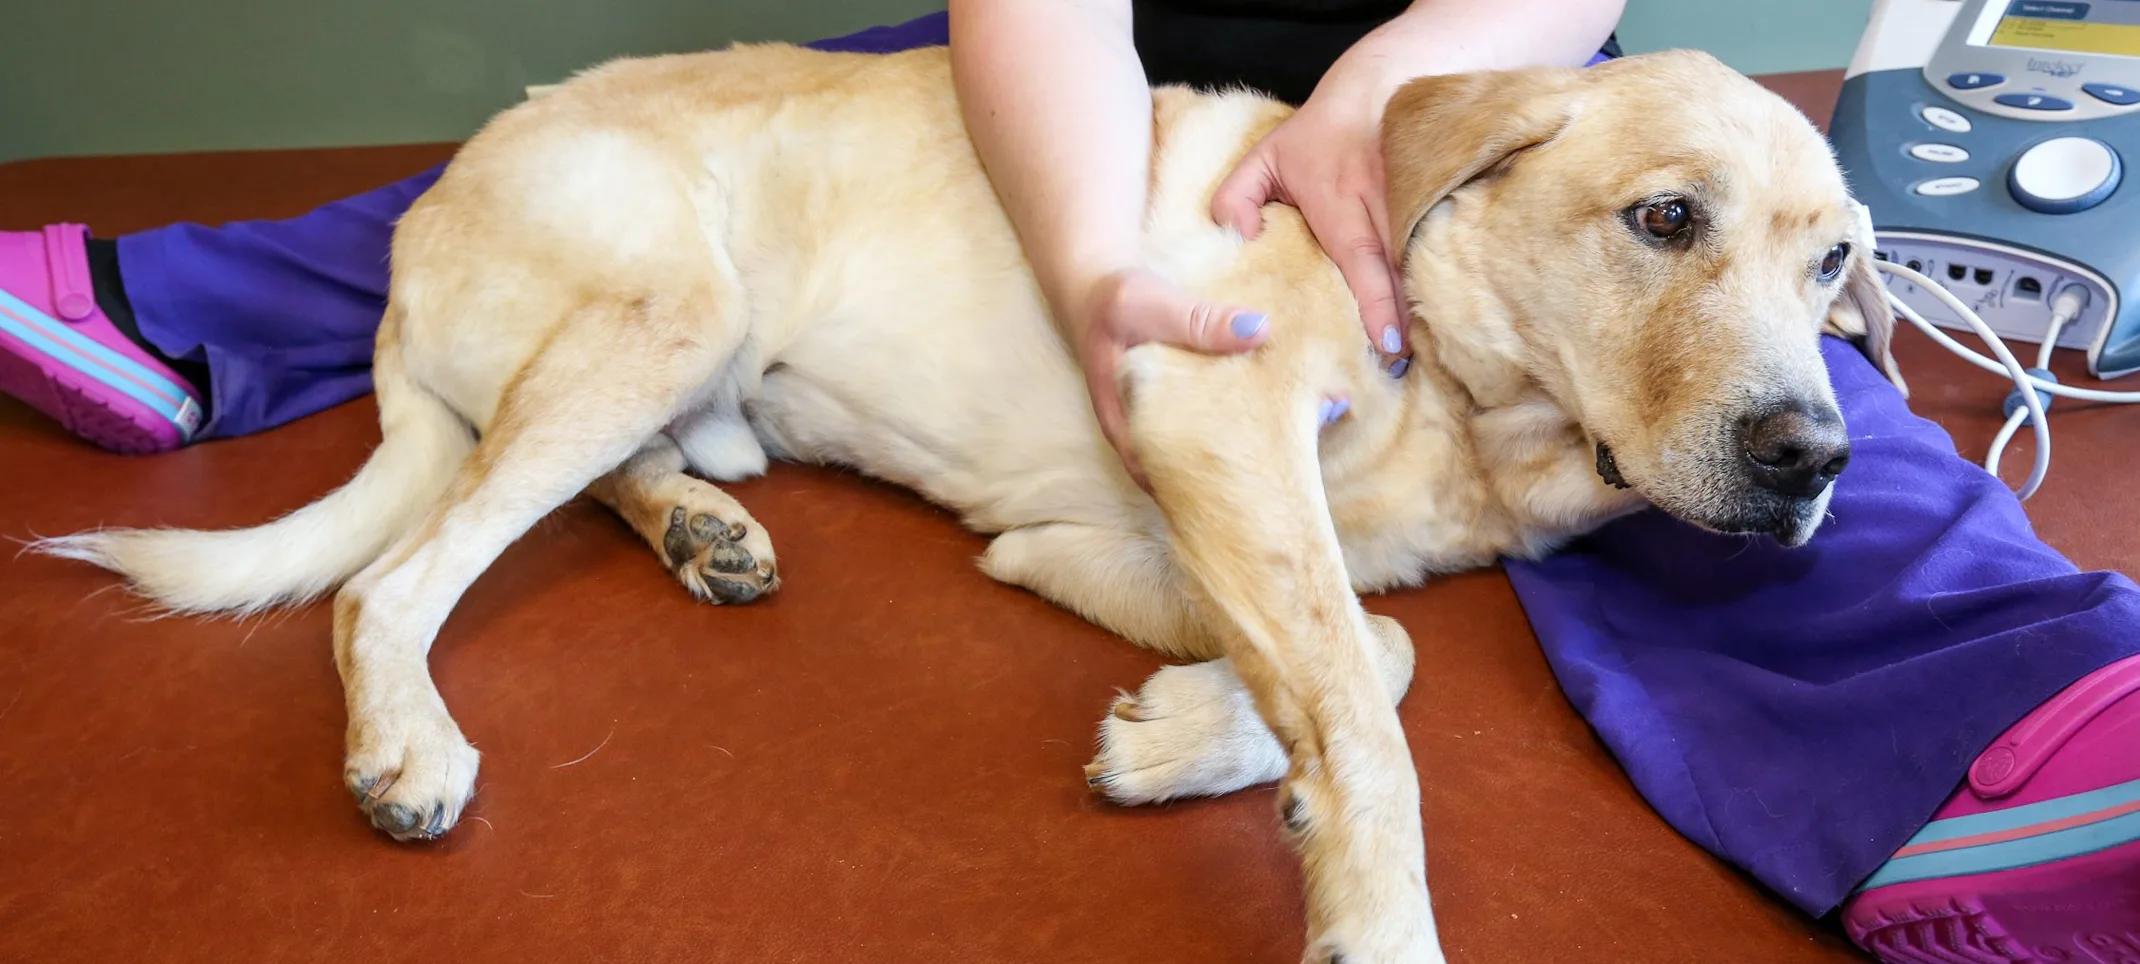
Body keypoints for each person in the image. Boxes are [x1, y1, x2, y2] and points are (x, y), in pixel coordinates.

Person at [1, 4, 2132, 959]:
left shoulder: (1583, 184)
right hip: (1085, 82)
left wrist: (1383, 119)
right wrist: (1101, 259)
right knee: (623, 228)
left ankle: (2044, 713)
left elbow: (1070, 528)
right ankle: (167, 318)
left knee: (1829, 472)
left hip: (1402, 102)